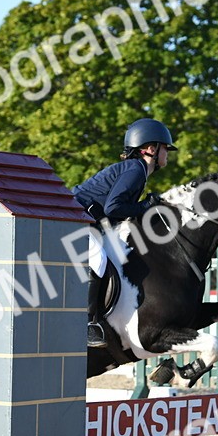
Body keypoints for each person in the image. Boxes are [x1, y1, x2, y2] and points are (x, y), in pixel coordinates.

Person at [72, 118, 176, 347]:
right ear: (150, 149)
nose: (167, 153)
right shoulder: (136, 170)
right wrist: (144, 206)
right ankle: (88, 323)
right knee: (98, 259)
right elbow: (113, 208)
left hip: (89, 220)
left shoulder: (136, 170)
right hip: (74, 218)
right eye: (165, 148)